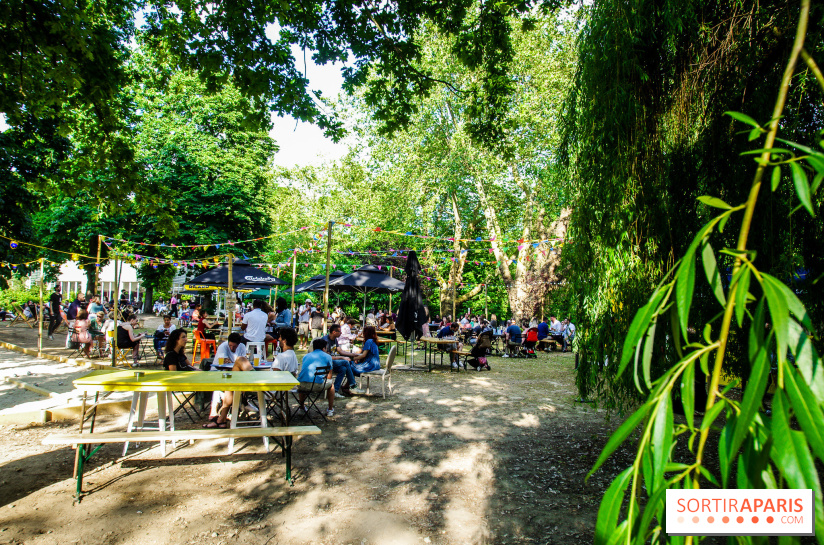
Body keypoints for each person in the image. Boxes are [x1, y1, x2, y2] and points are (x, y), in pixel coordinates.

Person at [296, 338, 336, 417]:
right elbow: (329, 376)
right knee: (331, 385)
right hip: (316, 385)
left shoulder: (306, 356)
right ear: (324, 348)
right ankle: (330, 409)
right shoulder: (328, 356)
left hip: (301, 385)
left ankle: (302, 407)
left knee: (304, 378)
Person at [320, 324, 359, 397]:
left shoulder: (334, 339)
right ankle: (353, 385)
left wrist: (352, 354)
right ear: (334, 332)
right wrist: (343, 358)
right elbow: (328, 357)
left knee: (343, 369)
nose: (341, 333)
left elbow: (340, 351)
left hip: (332, 363)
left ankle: (335, 391)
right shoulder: (325, 340)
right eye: (339, 332)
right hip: (325, 363)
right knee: (345, 362)